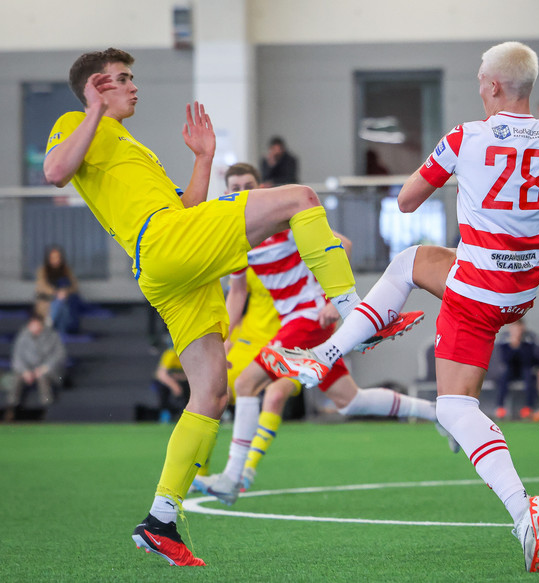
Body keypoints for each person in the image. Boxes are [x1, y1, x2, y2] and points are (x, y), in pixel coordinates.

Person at [261, 41, 539, 573]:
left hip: (474, 290)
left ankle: (324, 355)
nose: (478, 86)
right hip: (517, 292)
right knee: (432, 317)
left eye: (480, 79)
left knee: (415, 290)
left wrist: (458, 172)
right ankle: (523, 511)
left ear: (493, 85)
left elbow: (405, 201)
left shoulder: (466, 136)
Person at [43, 48, 367, 567]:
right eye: (123, 79)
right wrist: (94, 110)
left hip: (170, 264)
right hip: (164, 244)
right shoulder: (75, 123)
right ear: (97, 86)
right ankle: (355, 314)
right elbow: (55, 171)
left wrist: (203, 158)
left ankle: (160, 520)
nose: (133, 87)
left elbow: (189, 207)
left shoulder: (133, 147)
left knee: (212, 393)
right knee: (301, 197)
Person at [192, 163, 449, 505]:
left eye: (248, 184)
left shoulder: (280, 221)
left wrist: (332, 301)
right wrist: (226, 335)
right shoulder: (237, 238)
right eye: (235, 187)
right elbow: (238, 293)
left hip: (308, 318)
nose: (242, 191)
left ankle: (232, 477)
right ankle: (437, 413)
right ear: (226, 193)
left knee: (245, 384)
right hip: (295, 323)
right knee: (351, 400)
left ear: (260, 187)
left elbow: (343, 244)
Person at [5, 312, 66, 421]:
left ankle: (47, 409)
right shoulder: (23, 336)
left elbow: (59, 355)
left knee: (43, 378)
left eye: (37, 324)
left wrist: (44, 368)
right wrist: (25, 371)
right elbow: (17, 357)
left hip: (48, 371)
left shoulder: (52, 336)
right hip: (27, 371)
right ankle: (12, 408)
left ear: (41, 325)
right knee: (16, 378)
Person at [494, 319, 538, 421]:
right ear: (510, 328)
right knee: (504, 376)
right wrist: (512, 347)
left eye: (519, 328)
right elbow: (505, 360)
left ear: (523, 328)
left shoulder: (529, 339)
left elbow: (529, 360)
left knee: (529, 375)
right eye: (514, 328)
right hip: (511, 369)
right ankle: (500, 407)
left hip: (524, 368)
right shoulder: (505, 339)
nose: (517, 331)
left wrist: (519, 345)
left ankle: (529, 408)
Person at [34, 245, 82, 334]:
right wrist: (56, 292)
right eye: (53, 258)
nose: (56, 260)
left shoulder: (66, 270)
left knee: (62, 304)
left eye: (58, 257)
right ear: (48, 259)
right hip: (47, 303)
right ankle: (57, 330)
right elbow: (41, 286)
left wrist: (65, 291)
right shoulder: (42, 270)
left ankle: (49, 325)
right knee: (59, 303)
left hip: (66, 303)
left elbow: (75, 286)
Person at [151, 343, 190, 423]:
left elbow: (190, 374)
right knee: (162, 389)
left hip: (181, 382)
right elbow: (161, 374)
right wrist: (174, 386)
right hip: (168, 383)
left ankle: (186, 414)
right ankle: (165, 414)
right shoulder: (171, 354)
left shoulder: (189, 354)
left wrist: (178, 377)